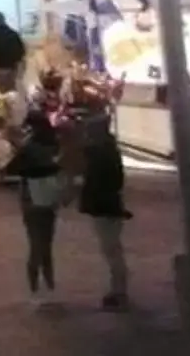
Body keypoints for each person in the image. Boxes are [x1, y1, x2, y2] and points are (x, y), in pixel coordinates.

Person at [75, 109, 131, 309]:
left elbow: (99, 181)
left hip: (105, 207)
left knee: (112, 249)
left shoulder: (101, 154)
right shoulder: (108, 151)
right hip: (109, 205)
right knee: (112, 249)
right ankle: (118, 290)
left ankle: (119, 292)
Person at [13, 111, 64, 303]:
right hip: (49, 197)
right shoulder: (53, 144)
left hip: (31, 198)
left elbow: (15, 167)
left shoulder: (29, 146)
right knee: (46, 242)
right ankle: (49, 283)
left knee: (35, 243)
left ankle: (35, 287)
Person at [0, 16, 27, 98]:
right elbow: (21, 49)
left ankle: (6, 107)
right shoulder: (13, 33)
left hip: (0, 66)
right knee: (12, 87)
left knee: (3, 89)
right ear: (4, 20)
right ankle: (13, 106)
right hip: (12, 66)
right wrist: (16, 60)